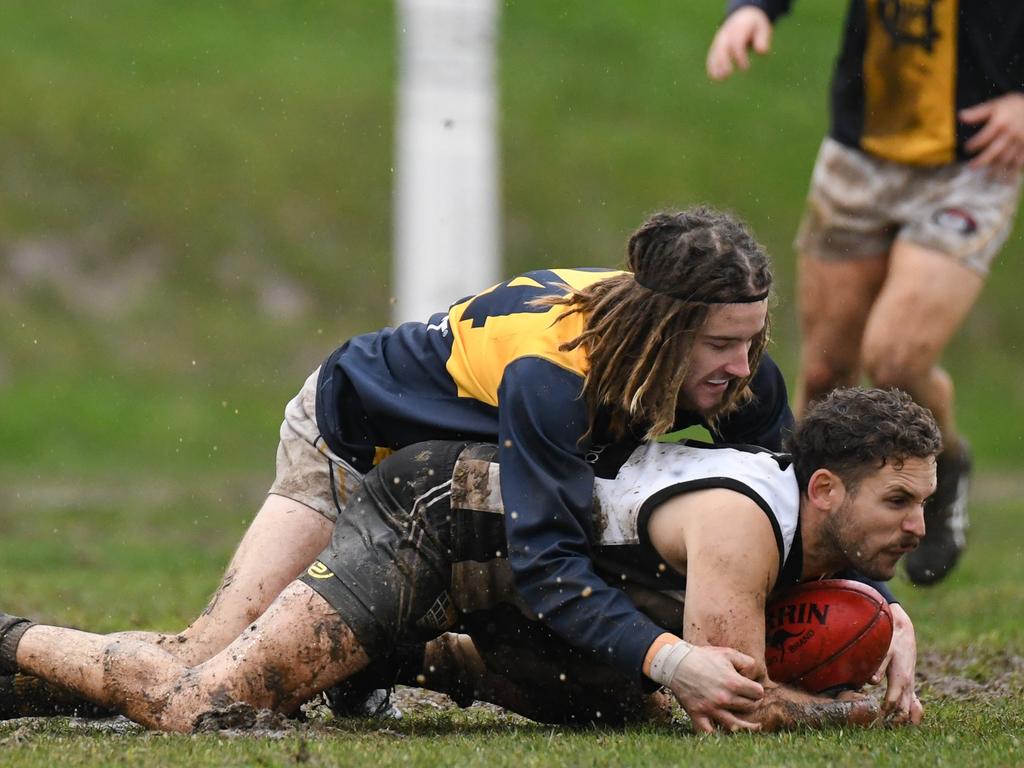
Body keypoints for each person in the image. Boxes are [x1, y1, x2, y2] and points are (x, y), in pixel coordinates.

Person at [7, 207, 792, 720]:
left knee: (236, 684)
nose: (743, 367)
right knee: (205, 664)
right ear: (658, 331)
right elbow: (548, 564)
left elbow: (796, 504)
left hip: (431, 486)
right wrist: (674, 661)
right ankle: (15, 645)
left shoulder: (728, 373)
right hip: (348, 436)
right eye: (721, 344)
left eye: (753, 339)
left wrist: (873, 603)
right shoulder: (552, 376)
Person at [0, 386, 940, 732]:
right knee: (202, 702)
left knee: (631, 700)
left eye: (924, 505)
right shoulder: (744, 523)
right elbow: (732, 705)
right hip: (439, 519)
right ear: (823, 492)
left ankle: (408, 658)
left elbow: (851, 584)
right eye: (898, 503)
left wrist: (890, 617)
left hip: (512, 580)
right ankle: (13, 641)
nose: (917, 529)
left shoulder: (812, 520)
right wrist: (860, 710)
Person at [705, 0, 1024, 585]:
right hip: (862, 150)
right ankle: (798, 559)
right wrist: (754, 9)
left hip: (974, 158)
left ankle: (946, 461)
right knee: (825, 373)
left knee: (896, 357)